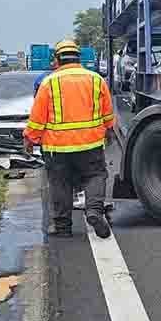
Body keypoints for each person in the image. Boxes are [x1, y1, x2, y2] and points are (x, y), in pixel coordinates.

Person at [24, 40, 115, 238]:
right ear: (78, 58)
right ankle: (93, 211)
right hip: (90, 144)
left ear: (57, 59)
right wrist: (109, 131)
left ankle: (63, 227)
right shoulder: (96, 79)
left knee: (60, 183)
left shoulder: (49, 82)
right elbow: (108, 113)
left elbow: (38, 117)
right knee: (95, 176)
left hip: (57, 148)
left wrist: (30, 139)